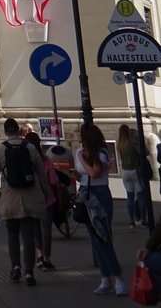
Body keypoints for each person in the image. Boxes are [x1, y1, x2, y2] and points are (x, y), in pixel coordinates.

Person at [0, 117, 49, 287]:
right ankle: (29, 273)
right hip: (30, 196)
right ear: (17, 130)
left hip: (9, 198)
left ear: (6, 131)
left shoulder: (0, 150)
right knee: (28, 236)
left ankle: (15, 266)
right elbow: (41, 173)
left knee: (12, 234)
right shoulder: (30, 148)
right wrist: (46, 192)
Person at [76, 121, 127, 295]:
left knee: (103, 238)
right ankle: (106, 280)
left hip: (100, 195)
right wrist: (74, 175)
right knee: (95, 240)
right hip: (85, 193)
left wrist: (83, 160)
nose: (76, 135)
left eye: (79, 132)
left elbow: (95, 173)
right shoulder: (79, 152)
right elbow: (84, 176)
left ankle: (118, 278)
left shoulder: (101, 153)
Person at [25, 130, 58, 271]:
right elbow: (53, 180)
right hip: (47, 199)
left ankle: (39, 256)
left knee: (36, 230)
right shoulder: (45, 160)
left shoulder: (26, 161)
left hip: (32, 198)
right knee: (46, 231)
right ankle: (47, 259)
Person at [117, 123, 147, 229]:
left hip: (125, 171)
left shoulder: (119, 144)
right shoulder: (133, 142)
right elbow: (144, 153)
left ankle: (132, 221)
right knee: (141, 195)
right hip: (135, 170)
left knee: (130, 197)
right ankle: (143, 219)